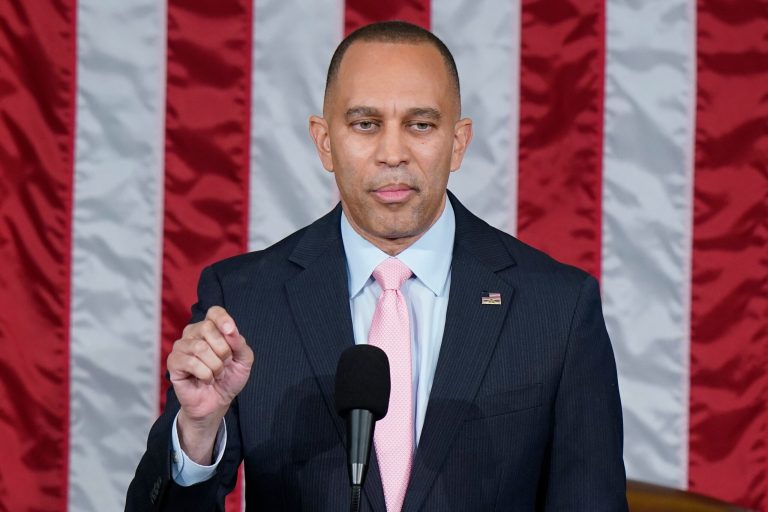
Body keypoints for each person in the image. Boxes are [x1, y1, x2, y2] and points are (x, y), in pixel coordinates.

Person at [126, 21, 627, 511]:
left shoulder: (556, 308)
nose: (393, 153)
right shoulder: (245, 300)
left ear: (458, 142)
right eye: (366, 124)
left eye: (421, 125)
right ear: (325, 142)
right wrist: (196, 433)